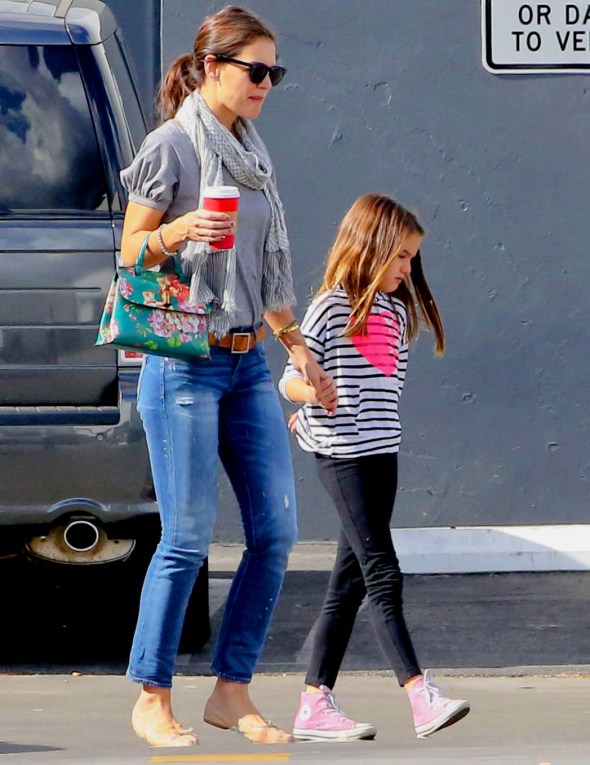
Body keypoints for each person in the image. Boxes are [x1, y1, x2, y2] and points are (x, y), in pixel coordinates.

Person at [118, 5, 336, 748]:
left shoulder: (252, 156)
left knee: (276, 533)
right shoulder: (172, 147)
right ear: (211, 67)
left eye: (275, 72)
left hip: (246, 361)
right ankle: (151, 695)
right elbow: (130, 251)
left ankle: (230, 690)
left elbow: (262, 277)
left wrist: (297, 345)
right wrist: (179, 231)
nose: (266, 83)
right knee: (185, 537)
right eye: (255, 70)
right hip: (184, 359)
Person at [279, 193, 470, 741]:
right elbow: (291, 379)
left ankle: (314, 702)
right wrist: (311, 397)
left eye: (412, 257)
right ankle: (419, 693)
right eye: (401, 256)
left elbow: (378, 391)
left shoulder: (394, 312)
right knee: (382, 571)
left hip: (383, 452)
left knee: (349, 582)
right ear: (371, 247)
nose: (408, 268)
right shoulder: (329, 307)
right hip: (343, 456)